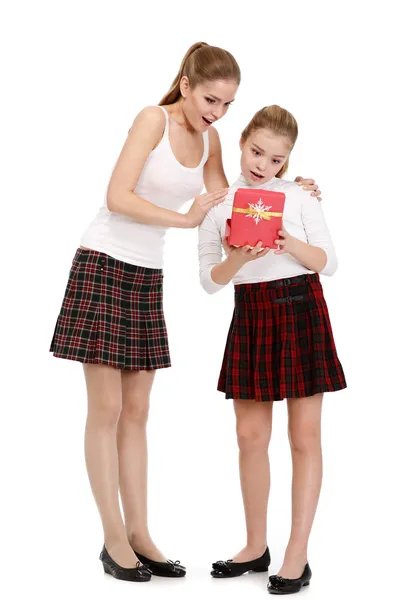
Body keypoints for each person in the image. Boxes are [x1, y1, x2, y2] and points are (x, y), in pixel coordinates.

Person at [50, 40, 320, 582]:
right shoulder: (152, 118)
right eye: (211, 99)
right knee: (105, 411)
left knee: (138, 412)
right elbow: (117, 196)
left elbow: (233, 201)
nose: (216, 112)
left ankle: (141, 535)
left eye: (226, 105)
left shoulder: (213, 140)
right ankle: (112, 540)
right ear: (188, 84)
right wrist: (182, 220)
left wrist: (295, 188)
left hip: (146, 273)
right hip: (104, 261)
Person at [198, 104, 346, 594]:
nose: (263, 165)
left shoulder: (299, 196)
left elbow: (328, 262)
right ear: (242, 142)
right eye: (257, 151)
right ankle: (255, 544)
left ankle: (296, 554)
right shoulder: (219, 204)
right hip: (252, 312)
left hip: (302, 307)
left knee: (304, 439)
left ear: (288, 162)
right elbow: (209, 282)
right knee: (249, 437)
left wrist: (287, 243)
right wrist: (237, 257)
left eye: (276, 159)